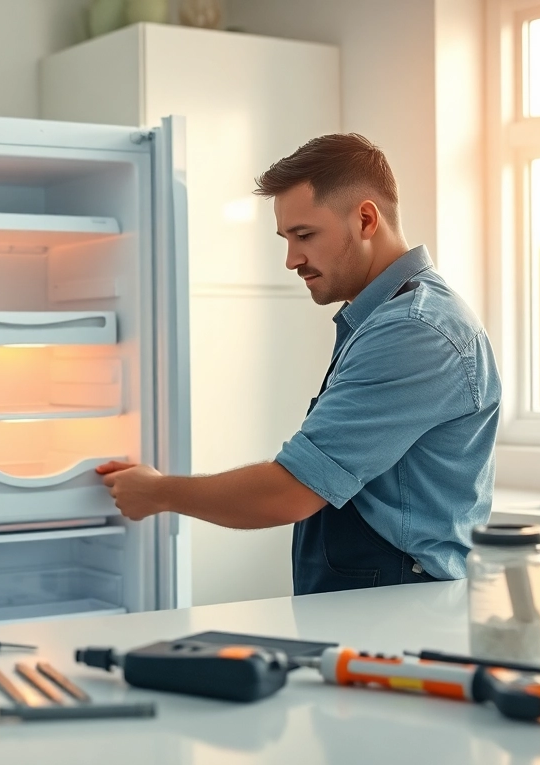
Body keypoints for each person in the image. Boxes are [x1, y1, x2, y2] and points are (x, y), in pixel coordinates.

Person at [97, 133, 501, 594]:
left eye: (305, 235)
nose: (292, 260)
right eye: (286, 239)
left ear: (366, 219)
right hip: (379, 598)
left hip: (399, 603)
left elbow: (289, 492)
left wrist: (157, 492)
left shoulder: (415, 331)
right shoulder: (387, 318)